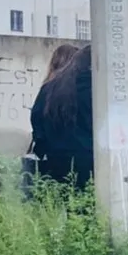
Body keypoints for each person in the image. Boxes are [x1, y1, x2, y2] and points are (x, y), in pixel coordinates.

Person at [29, 44, 94, 189]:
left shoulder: (51, 87)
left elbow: (37, 119)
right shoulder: (97, 87)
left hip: (57, 158)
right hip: (93, 159)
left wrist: (44, 148)